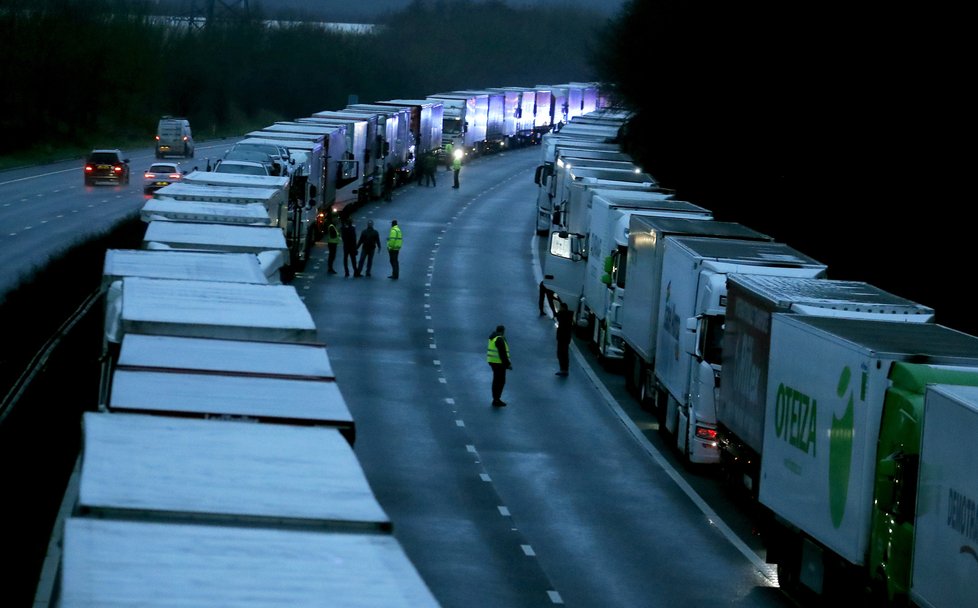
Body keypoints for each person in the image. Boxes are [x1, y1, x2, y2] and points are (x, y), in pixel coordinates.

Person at [486, 325, 512, 407]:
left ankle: (496, 398)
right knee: (500, 381)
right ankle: (496, 399)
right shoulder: (499, 339)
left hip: (493, 362)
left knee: (496, 380)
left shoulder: (493, 338)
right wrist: (508, 364)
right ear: (503, 331)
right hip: (499, 363)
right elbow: (502, 354)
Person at [555, 302, 573, 376]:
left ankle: (563, 369)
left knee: (561, 353)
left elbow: (559, 319)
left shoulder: (563, 315)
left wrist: (559, 312)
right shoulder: (569, 314)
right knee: (564, 353)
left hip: (562, 336)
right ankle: (564, 369)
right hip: (566, 336)